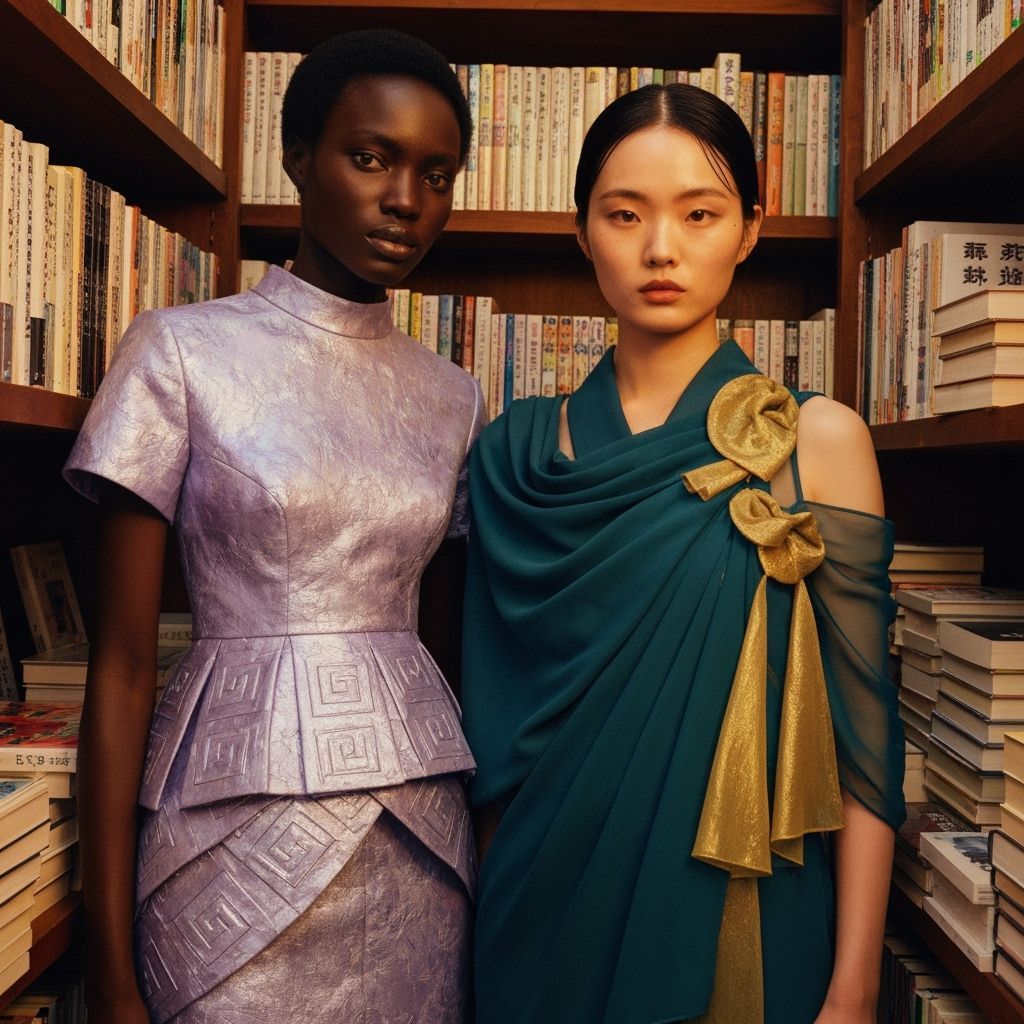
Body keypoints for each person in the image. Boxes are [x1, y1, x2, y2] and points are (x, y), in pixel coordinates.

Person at [461, 82, 906, 1024]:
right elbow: (490, 739)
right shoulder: (512, 453)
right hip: (538, 917)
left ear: (750, 228)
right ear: (581, 231)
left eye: (698, 214)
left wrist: (855, 989)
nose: (660, 248)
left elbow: (867, 742)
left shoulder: (815, 441)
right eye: (624, 215)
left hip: (744, 911)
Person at [64, 29, 483, 1024]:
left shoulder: (454, 397)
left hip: (420, 838)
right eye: (370, 157)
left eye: (437, 173)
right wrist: (113, 977)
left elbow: (456, 648)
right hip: (224, 833)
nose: (404, 200)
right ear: (296, 157)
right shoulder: (178, 353)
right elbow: (121, 668)